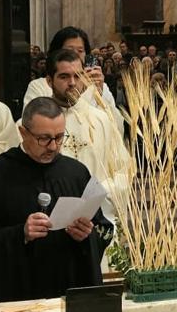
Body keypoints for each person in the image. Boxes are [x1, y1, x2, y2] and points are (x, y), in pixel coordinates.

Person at [0, 97, 106, 303]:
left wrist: (87, 236)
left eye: (59, 137)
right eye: (44, 138)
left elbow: (103, 229)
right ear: (22, 132)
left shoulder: (76, 173)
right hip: (16, 294)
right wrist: (20, 234)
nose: (53, 146)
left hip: (67, 290)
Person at [49, 48, 131, 221]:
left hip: (98, 216)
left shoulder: (102, 119)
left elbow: (123, 171)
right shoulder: (38, 124)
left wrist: (97, 193)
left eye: (77, 76)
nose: (72, 83)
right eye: (64, 77)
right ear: (50, 81)